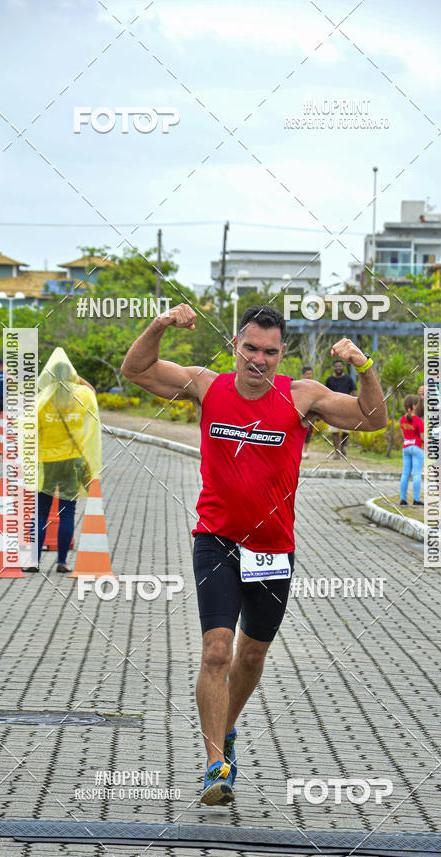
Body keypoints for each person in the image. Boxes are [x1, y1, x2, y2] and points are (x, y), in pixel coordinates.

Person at [121, 304, 387, 806]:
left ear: (281, 353)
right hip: (216, 539)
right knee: (216, 651)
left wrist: (363, 367)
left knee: (251, 654)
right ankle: (214, 764)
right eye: (250, 349)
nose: (259, 360)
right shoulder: (208, 385)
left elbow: (373, 419)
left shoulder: (301, 396)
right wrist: (158, 325)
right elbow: (134, 371)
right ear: (236, 347)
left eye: (269, 351)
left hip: (272, 549)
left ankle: (227, 729)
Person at [23, 348, 101, 574]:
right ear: (73, 375)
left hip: (47, 462)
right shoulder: (82, 396)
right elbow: (92, 391)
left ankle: (33, 561)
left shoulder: (41, 399)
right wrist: (75, 379)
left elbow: (31, 430)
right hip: (73, 462)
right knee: (67, 512)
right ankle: (63, 562)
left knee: (40, 512)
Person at [324, 359, 357, 460]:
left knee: (346, 431)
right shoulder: (329, 380)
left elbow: (354, 392)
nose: (338, 368)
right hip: (333, 409)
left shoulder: (349, 379)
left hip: (346, 408)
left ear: (343, 367)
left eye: (340, 366)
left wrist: (355, 405)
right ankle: (337, 452)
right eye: (336, 366)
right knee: (334, 431)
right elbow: (325, 393)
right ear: (334, 367)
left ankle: (342, 446)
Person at [399, 395, 424, 506]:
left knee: (405, 473)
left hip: (406, 447)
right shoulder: (418, 420)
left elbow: (403, 435)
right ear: (414, 406)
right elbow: (423, 438)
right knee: (416, 474)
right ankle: (416, 500)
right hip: (417, 447)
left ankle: (403, 499)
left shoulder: (402, 419)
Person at [300, 365, 314, 458]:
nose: (309, 376)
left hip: (311, 413)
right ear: (303, 374)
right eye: (307, 374)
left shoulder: (314, 385)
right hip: (300, 412)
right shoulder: (299, 384)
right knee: (299, 432)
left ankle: (305, 451)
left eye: (310, 374)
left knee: (308, 432)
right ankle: (299, 451)